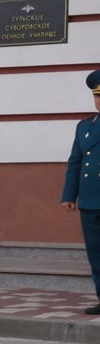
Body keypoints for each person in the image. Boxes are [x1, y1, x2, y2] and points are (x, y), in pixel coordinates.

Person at [66, 69, 100, 316]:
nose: (99, 101)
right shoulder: (84, 126)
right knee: (95, 252)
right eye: (97, 97)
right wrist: (69, 195)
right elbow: (75, 162)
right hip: (89, 201)